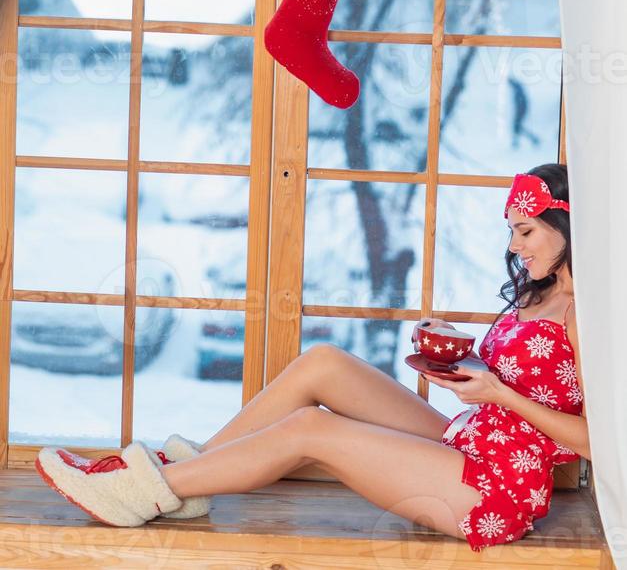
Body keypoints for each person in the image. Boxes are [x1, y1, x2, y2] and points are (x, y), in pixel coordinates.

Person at [35, 162, 588, 552]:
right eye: (512, 232)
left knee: (310, 429)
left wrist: (497, 392)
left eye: (525, 231)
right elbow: (529, 370)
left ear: (565, 227)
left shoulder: (585, 313)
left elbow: (594, 440)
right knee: (323, 361)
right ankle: (180, 478)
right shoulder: (539, 291)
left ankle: (139, 491)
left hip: (496, 490)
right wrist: (461, 353)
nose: (514, 246)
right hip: (474, 438)